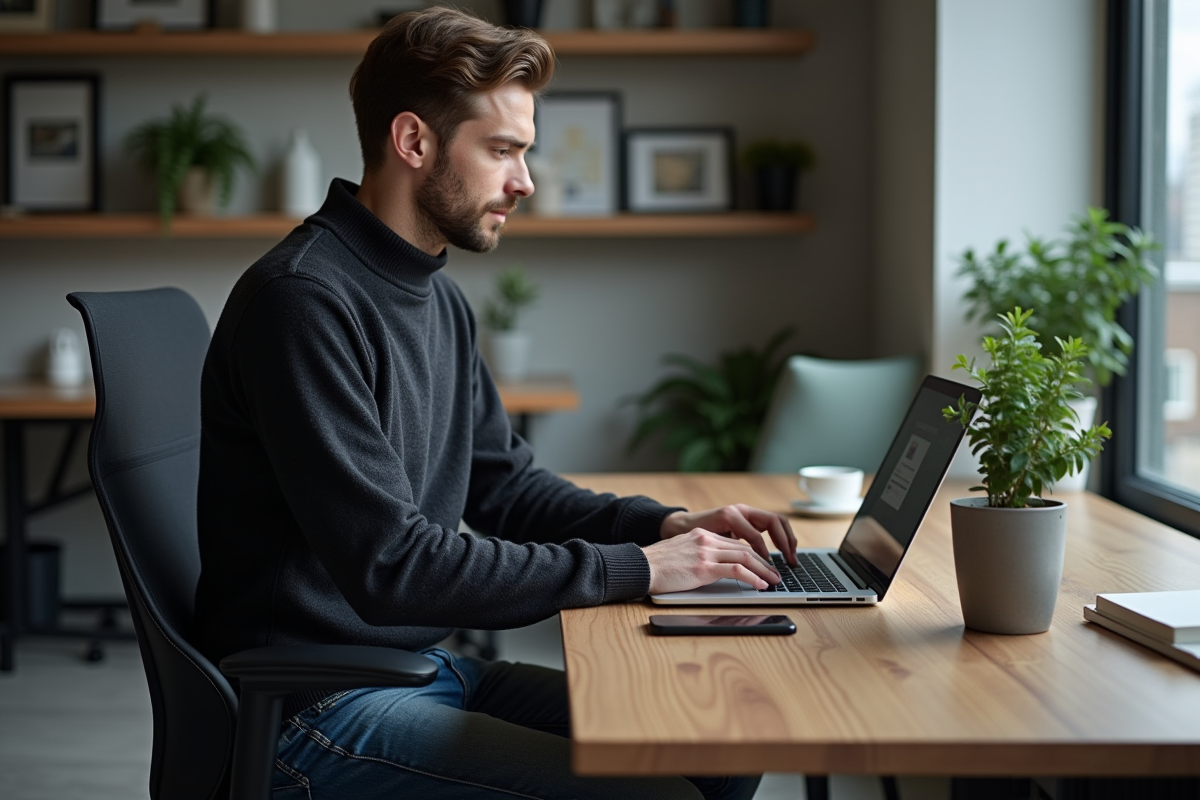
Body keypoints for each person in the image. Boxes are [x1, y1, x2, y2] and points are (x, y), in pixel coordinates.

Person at [194, 7, 797, 799]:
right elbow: (393, 567)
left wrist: (661, 527)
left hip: (413, 670)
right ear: (414, 142)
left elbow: (503, 486)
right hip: (313, 710)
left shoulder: (433, 297)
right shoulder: (304, 300)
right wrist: (638, 568)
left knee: (714, 752)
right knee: (662, 793)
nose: (525, 182)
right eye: (503, 150)